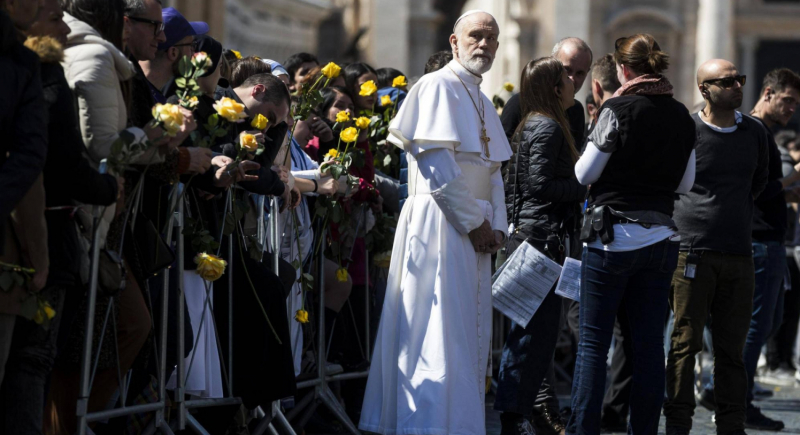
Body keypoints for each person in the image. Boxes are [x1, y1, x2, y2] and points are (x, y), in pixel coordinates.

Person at [360, 10, 512, 434]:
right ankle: (424, 424)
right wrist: (473, 222)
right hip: (441, 221)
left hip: (475, 225)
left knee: (466, 332)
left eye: (491, 37)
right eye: (475, 36)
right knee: (434, 327)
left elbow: (495, 170)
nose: (484, 44)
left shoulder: (482, 99)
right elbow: (436, 163)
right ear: (454, 42)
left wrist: (497, 224)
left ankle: (459, 424)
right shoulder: (435, 86)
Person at [0, 1, 121, 432]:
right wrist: (108, 188)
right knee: (30, 362)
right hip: (29, 242)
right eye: (55, 21)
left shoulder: (36, 68)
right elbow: (42, 163)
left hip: (33, 236)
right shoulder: (34, 71)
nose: (66, 33)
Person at [568, 34, 695, 435]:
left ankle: (583, 429)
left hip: (612, 240)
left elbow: (585, 174)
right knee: (647, 348)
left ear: (623, 69)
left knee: (592, 347)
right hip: (661, 241)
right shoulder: (682, 115)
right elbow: (687, 183)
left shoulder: (616, 108)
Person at [663, 59, 770, 435]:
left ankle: (731, 425)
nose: (738, 86)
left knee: (732, 351)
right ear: (704, 89)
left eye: (739, 79)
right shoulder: (687, 130)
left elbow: (759, 182)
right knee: (684, 343)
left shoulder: (754, 132)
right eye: (727, 81)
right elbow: (670, 181)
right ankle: (678, 423)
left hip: (739, 253)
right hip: (691, 251)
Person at [499, 36, 592, 435]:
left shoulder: (540, 122)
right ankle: (515, 417)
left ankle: (521, 413)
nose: (575, 82)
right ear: (555, 86)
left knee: (532, 338)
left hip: (537, 236)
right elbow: (538, 185)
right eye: (568, 76)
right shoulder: (547, 125)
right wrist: (584, 188)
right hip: (540, 241)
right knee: (530, 339)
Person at [741, 68, 800, 430]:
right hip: (758, 242)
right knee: (755, 325)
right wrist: (795, 175)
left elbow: (773, 190)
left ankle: (728, 390)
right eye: (788, 100)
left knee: (771, 321)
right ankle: (735, 399)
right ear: (767, 93)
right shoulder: (754, 132)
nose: (792, 109)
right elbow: (760, 188)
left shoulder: (766, 132)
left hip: (771, 240)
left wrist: (790, 189)